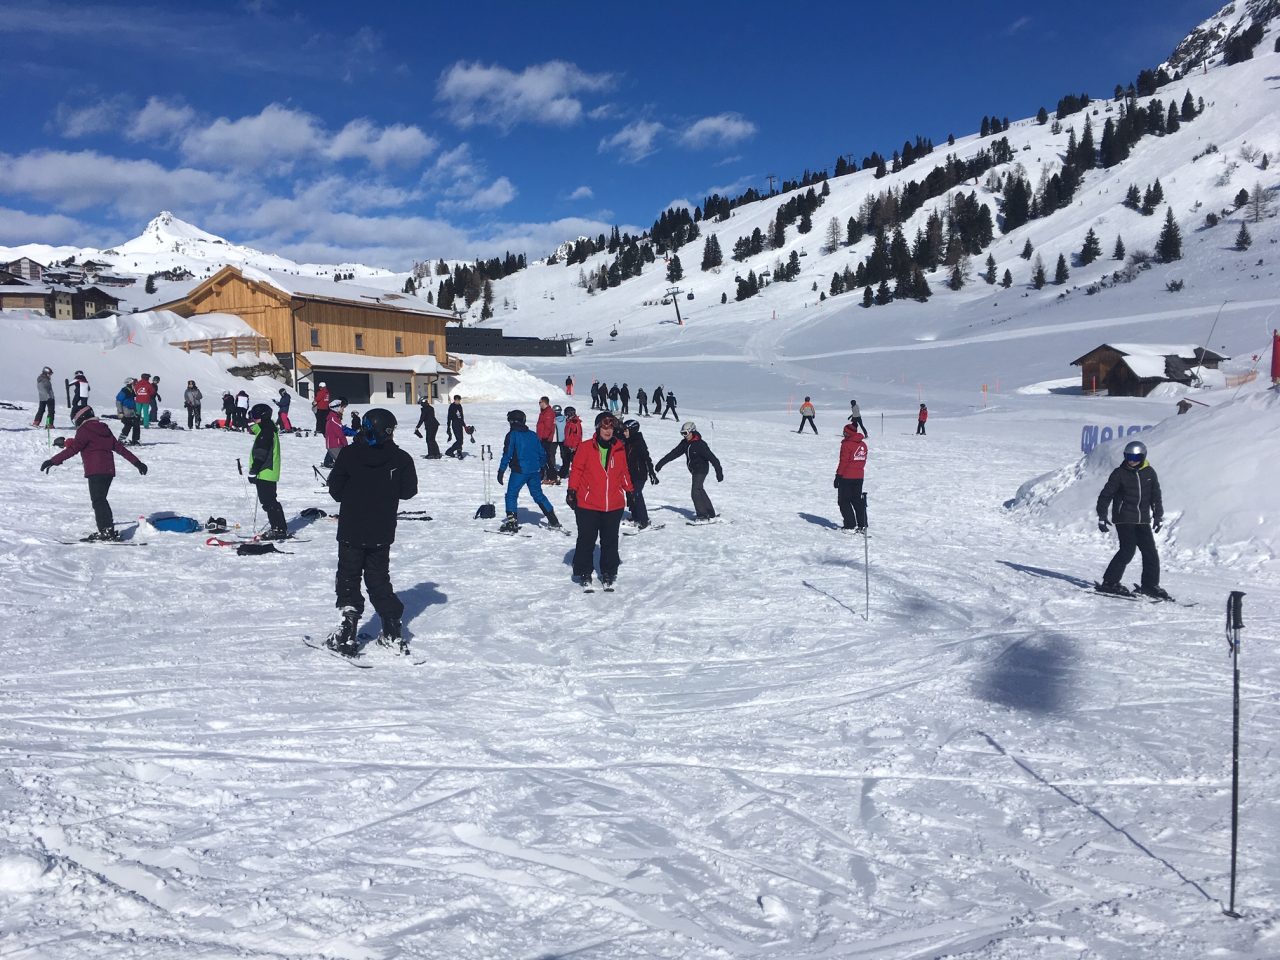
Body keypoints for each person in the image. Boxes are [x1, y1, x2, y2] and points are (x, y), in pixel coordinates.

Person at [325, 408, 418, 656]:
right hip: (381, 529)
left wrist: (357, 492)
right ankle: (391, 630)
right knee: (378, 578)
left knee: (348, 576)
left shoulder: (349, 454)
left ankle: (348, 629)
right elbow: (408, 491)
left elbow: (335, 489)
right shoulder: (401, 458)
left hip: (352, 528)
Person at [40, 405, 147, 540]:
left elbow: (73, 449)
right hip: (108, 471)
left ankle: (106, 531)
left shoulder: (84, 430)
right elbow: (119, 448)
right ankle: (107, 529)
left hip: (95, 471)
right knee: (101, 500)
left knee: (98, 501)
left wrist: (52, 461)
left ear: (81, 418)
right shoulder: (103, 428)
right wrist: (137, 463)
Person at [567, 412, 633, 590]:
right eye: (604, 427)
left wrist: (630, 491)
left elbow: (624, 472)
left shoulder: (619, 448)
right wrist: (571, 490)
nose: (608, 431)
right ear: (598, 428)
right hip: (588, 504)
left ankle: (609, 572)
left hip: (613, 504)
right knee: (587, 539)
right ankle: (584, 571)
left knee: (610, 540)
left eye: (611, 427)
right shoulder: (586, 447)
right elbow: (577, 470)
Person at [1096, 439, 1167, 598]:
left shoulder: (1149, 472)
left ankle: (1150, 585)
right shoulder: (1119, 473)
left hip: (1142, 519)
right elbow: (1106, 495)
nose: (1131, 461)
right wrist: (1102, 515)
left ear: (1142, 457)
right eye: (1128, 456)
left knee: (1150, 552)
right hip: (1124, 517)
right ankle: (1110, 582)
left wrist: (1157, 516)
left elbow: (1155, 496)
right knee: (1128, 550)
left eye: (1135, 458)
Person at [496, 409, 561, 533]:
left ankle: (512, 523)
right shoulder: (532, 434)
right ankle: (553, 520)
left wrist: (501, 470)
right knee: (538, 495)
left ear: (512, 421)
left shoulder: (512, 435)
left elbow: (507, 454)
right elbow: (542, 453)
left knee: (511, 495)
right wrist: (541, 467)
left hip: (519, 471)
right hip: (534, 471)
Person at [655, 420, 723, 521]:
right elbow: (674, 453)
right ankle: (710, 512)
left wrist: (719, 472)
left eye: (685, 433)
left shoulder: (700, 445)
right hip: (694, 470)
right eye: (682, 433)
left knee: (695, 491)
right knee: (700, 489)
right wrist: (661, 463)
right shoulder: (685, 443)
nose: (684, 436)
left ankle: (703, 516)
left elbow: (713, 459)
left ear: (692, 431)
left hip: (701, 469)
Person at [246, 403, 289, 539]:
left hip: (265, 471)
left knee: (269, 501)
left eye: (256, 416)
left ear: (262, 416)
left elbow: (261, 453)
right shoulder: (268, 427)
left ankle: (279, 529)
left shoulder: (266, 431)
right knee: (269, 501)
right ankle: (279, 527)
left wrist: (254, 470)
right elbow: (253, 428)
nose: (254, 419)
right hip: (267, 471)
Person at [622, 419, 659, 530]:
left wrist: (652, 473)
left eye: (626, 430)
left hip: (640, 474)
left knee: (637, 495)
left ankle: (644, 521)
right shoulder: (627, 441)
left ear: (632, 430)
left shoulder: (639, 442)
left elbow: (647, 458)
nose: (624, 432)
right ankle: (635, 516)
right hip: (631, 474)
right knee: (630, 494)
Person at [835, 423, 869, 532]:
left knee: (843, 501)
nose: (843, 434)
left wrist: (838, 476)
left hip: (847, 476)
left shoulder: (846, 444)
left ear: (847, 433)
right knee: (856, 500)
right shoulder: (863, 445)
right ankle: (862, 524)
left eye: (844, 432)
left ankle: (850, 525)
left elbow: (844, 461)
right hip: (859, 476)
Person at [323, 397, 353, 468]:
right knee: (344, 464)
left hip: (335, 445)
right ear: (337, 408)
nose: (343, 409)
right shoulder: (334, 419)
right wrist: (346, 445)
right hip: (335, 445)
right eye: (342, 408)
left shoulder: (334, 417)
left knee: (343, 463)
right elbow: (340, 434)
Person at [536, 396, 559, 484]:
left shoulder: (548, 413)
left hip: (545, 440)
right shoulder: (544, 412)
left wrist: (543, 438)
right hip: (541, 438)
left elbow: (548, 427)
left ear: (544, 402)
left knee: (547, 458)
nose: (539, 404)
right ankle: (546, 475)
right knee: (544, 458)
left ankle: (552, 476)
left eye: (540, 402)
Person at [116, 378, 141, 444]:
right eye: (134, 383)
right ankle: (120, 440)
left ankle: (135, 440)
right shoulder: (124, 391)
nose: (135, 384)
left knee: (136, 425)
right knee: (128, 425)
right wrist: (120, 412)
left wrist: (136, 411)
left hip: (132, 411)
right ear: (129, 383)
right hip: (125, 411)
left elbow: (133, 401)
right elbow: (118, 402)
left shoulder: (131, 391)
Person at [560, 405, 582, 479]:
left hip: (573, 446)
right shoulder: (569, 422)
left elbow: (577, 436)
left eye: (566, 414)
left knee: (575, 462)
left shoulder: (575, 423)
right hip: (568, 444)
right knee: (566, 460)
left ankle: (579, 474)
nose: (565, 416)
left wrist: (574, 446)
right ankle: (563, 474)